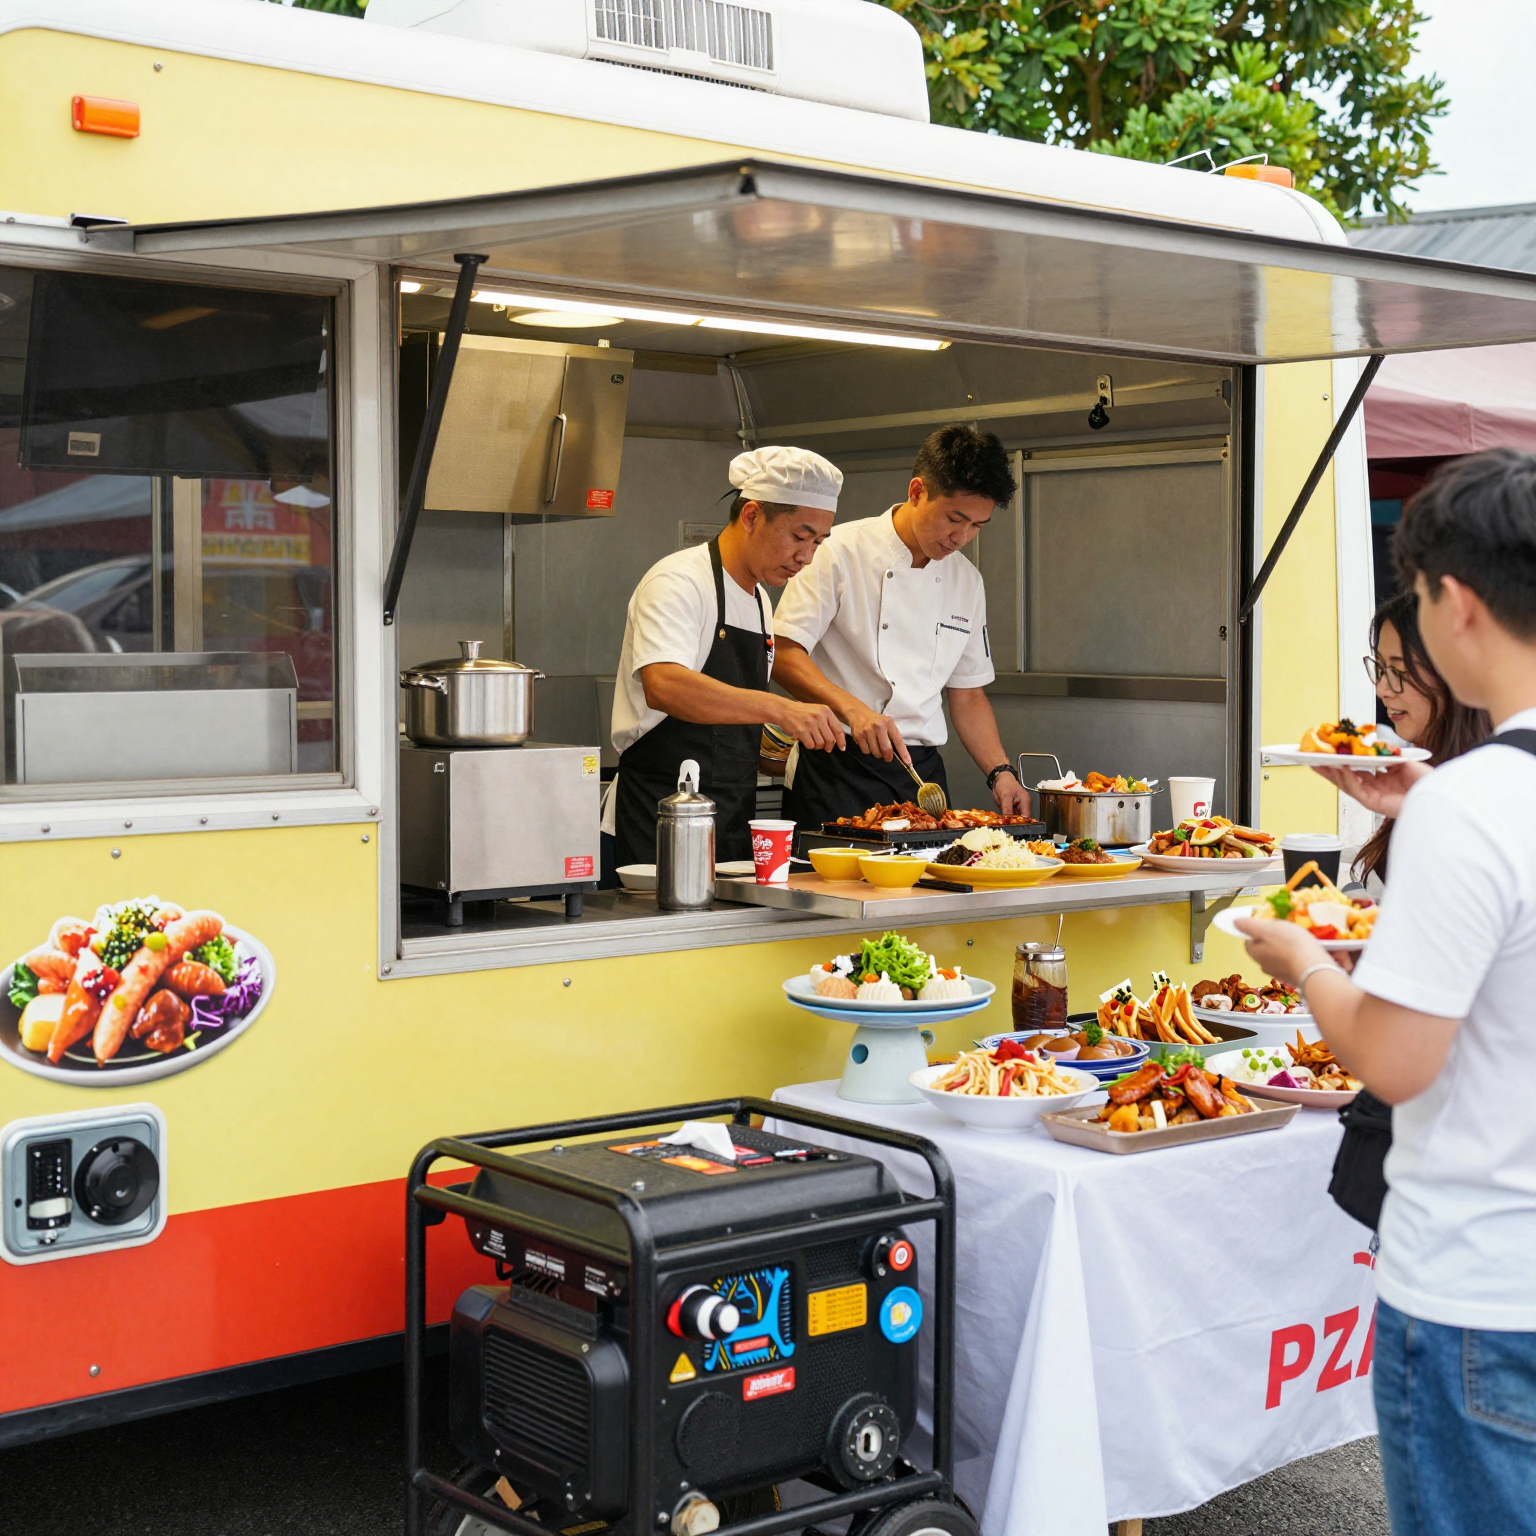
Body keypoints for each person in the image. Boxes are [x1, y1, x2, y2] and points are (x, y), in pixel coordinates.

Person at [1236, 449, 1536, 1536]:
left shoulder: (1477, 804)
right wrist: (1427, 805)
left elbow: (1396, 1061)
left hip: (1483, 1293)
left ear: (1454, 603)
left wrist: (1302, 960)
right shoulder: (1465, 800)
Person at [770, 425, 1030, 827]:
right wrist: (852, 710)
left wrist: (1001, 771)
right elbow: (783, 653)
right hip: (835, 765)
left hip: (921, 778)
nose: (961, 537)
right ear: (916, 492)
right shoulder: (838, 551)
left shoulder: (967, 581)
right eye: (954, 518)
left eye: (977, 526)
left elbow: (968, 694)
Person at [607, 447, 846, 869]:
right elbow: (664, 685)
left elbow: (732, 719)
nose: (806, 558)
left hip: (732, 816)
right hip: (660, 818)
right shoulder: (679, 581)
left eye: (818, 543)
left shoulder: (759, 602)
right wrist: (783, 709)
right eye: (800, 536)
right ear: (752, 516)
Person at [1350, 587, 1489, 884]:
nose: (1382, 690)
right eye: (1381, 668)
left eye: (1399, 671)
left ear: (1452, 671)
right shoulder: (1415, 773)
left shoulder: (1488, 785)